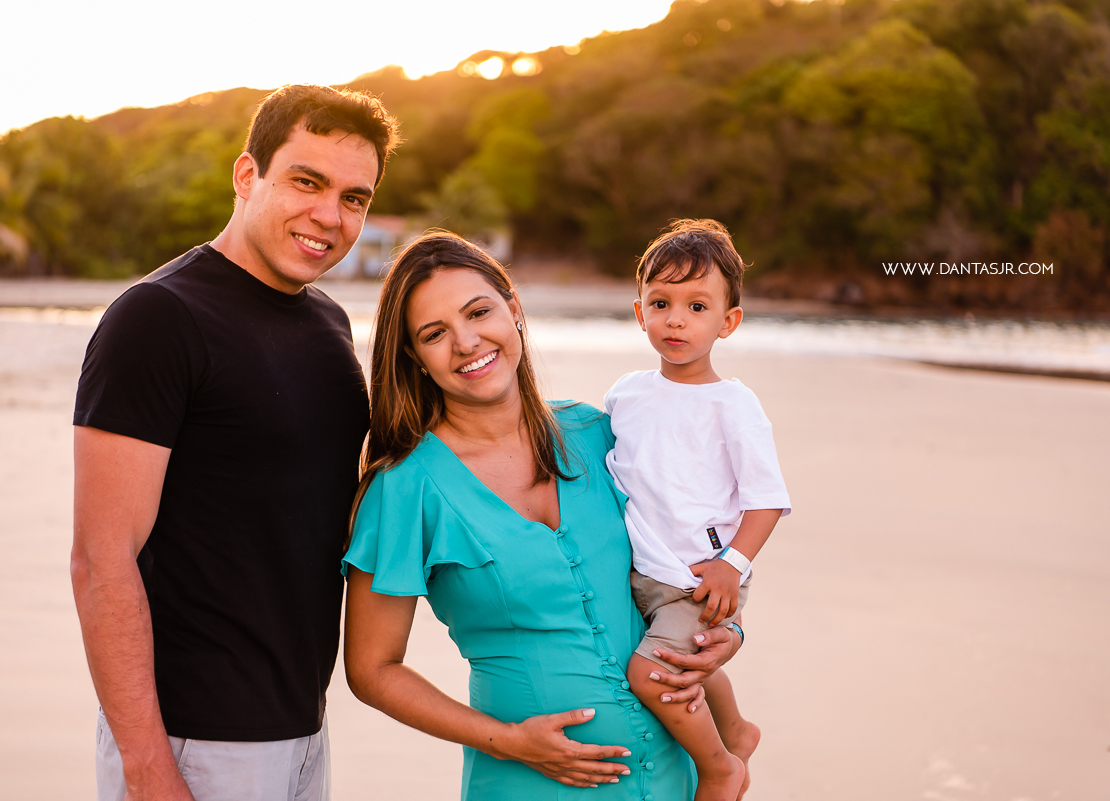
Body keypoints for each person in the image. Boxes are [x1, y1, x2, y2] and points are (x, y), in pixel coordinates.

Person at [70, 84, 400, 801]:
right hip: (193, 742)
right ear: (248, 175)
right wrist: (147, 766)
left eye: (353, 197)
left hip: (301, 731)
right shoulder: (159, 318)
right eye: (306, 182)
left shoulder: (330, 326)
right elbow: (101, 560)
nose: (330, 216)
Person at [343, 231, 743, 800]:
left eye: (478, 312)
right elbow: (372, 670)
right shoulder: (403, 489)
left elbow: (691, 548)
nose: (466, 342)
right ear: (415, 357)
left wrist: (727, 631)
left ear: (514, 309)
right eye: (434, 333)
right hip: (527, 784)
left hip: (675, 780)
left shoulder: (600, 434)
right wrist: (508, 741)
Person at [607, 219, 791, 801]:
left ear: (727, 322)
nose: (676, 320)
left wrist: (731, 565)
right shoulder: (626, 394)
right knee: (690, 666)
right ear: (639, 312)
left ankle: (718, 766)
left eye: (696, 306)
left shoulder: (732, 405)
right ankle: (737, 731)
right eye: (660, 303)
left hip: (700, 579)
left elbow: (766, 500)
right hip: (642, 571)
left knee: (653, 673)